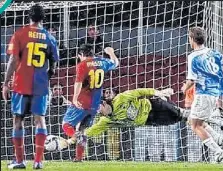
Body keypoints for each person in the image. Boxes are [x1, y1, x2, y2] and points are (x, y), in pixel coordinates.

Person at [2, 4, 59, 169]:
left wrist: (5, 83)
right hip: (40, 86)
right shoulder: (50, 37)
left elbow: (12, 61)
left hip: (21, 84)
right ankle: (38, 161)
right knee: (40, 120)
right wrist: (44, 78)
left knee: (18, 120)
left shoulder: (20, 33)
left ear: (29, 17)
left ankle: (20, 161)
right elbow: (54, 66)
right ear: (43, 18)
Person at [61, 44, 119, 162]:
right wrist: (111, 52)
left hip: (82, 102)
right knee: (82, 129)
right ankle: (78, 158)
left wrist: (75, 99)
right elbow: (115, 63)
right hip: (94, 105)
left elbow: (78, 83)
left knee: (66, 124)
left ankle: (75, 137)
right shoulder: (102, 62)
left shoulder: (82, 65)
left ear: (81, 55)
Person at [181, 27, 223, 163]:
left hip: (204, 93)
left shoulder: (193, 56)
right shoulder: (215, 53)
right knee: (196, 121)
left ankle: (218, 152)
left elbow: (192, 80)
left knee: (195, 125)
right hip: (215, 93)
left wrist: (184, 88)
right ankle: (218, 138)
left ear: (191, 39)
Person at [83, 87, 190, 136]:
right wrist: (75, 137)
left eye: (98, 108)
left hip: (153, 106)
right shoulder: (105, 121)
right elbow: (91, 131)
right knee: (179, 119)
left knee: (180, 113)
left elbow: (139, 91)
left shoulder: (120, 98)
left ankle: (199, 116)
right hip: (149, 120)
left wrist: (158, 92)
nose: (98, 111)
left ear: (104, 103)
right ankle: (198, 119)